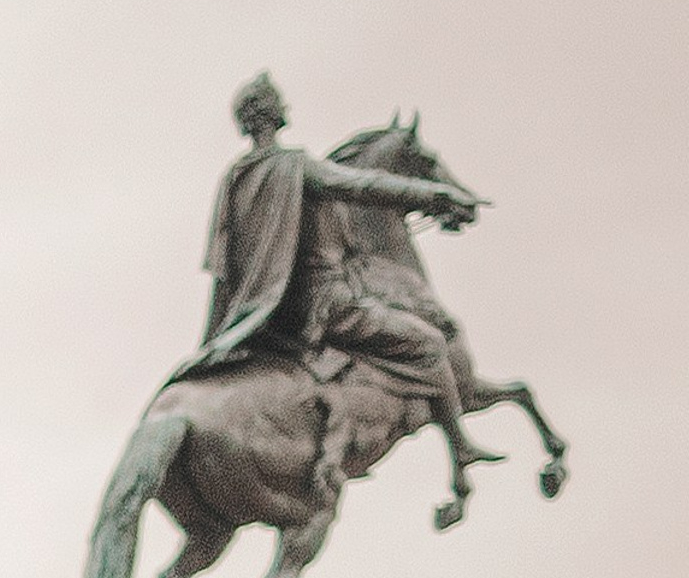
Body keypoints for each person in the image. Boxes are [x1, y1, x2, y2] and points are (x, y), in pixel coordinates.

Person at [181, 71, 501, 504]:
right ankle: (460, 448)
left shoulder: (236, 180)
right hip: (328, 305)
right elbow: (364, 185)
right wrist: (433, 195)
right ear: (268, 115)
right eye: (280, 102)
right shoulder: (292, 166)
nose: (287, 108)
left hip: (274, 315)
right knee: (428, 343)